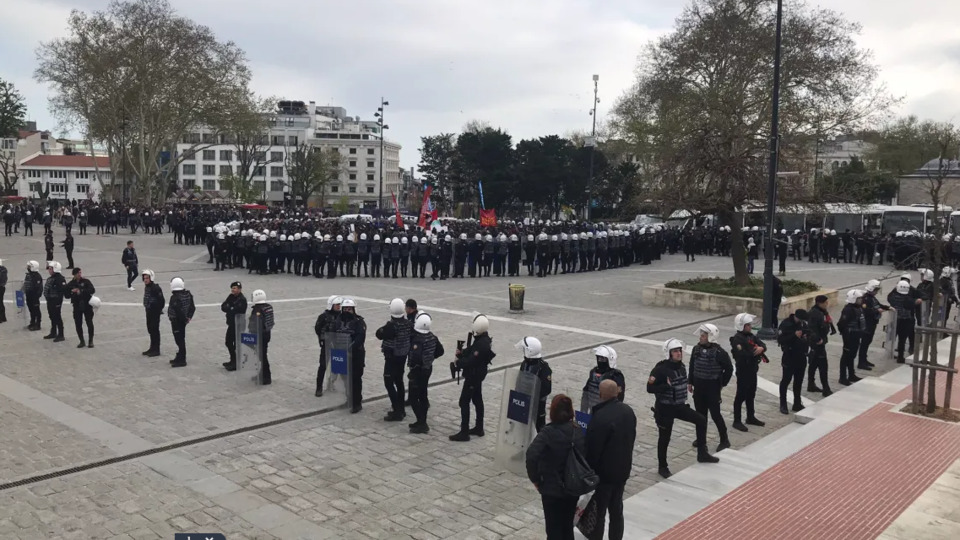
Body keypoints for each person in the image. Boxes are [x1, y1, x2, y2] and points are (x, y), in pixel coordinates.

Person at [648, 339, 719, 479]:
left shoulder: (681, 367)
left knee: (701, 420)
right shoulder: (660, 369)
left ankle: (702, 453)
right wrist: (665, 387)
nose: (679, 353)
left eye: (680, 350)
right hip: (665, 409)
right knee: (664, 438)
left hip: (679, 406)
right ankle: (662, 466)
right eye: (675, 351)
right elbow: (649, 388)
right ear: (668, 353)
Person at [525, 394, 585, 540]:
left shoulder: (548, 432)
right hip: (572, 487)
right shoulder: (577, 431)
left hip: (552, 489)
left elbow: (532, 455)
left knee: (553, 530)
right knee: (567, 527)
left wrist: (536, 479)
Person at [585, 380, 637, 540]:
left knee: (598, 514)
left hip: (604, 475)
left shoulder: (600, 417)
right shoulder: (628, 411)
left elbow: (593, 449)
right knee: (616, 510)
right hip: (622, 471)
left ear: (601, 395)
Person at [450, 314, 496, 441]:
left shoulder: (481, 344)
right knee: (477, 399)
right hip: (478, 374)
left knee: (464, 401)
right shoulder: (483, 339)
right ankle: (479, 427)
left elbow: (472, 360)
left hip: (473, 375)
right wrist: (463, 352)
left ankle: (464, 432)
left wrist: (459, 362)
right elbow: (472, 350)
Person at [688, 323, 733, 452]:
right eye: (701, 335)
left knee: (715, 415)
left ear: (711, 337)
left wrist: (721, 383)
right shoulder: (696, 349)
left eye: (703, 335)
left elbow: (729, 369)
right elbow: (692, 365)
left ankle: (724, 439)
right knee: (700, 415)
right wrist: (690, 381)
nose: (701, 337)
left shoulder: (719, 353)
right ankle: (701, 439)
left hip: (712, 388)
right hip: (699, 388)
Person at [376, 298, 413, 421]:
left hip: (391, 358)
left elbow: (379, 334)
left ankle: (397, 409)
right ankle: (401, 408)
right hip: (403, 356)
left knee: (389, 382)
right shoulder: (408, 324)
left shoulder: (391, 326)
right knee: (399, 381)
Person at [730, 313, 767, 432]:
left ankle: (750, 416)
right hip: (743, 371)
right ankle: (737, 420)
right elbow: (741, 354)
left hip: (752, 370)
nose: (750, 327)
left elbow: (762, 344)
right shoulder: (737, 339)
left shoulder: (751, 336)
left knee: (751, 394)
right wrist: (753, 352)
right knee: (740, 395)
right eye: (747, 325)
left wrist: (761, 348)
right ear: (741, 326)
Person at [408, 312, 444, 434]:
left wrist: (413, 368)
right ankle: (421, 421)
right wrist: (430, 358)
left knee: (413, 397)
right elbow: (440, 351)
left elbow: (416, 357)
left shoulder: (417, 339)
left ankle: (422, 422)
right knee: (423, 395)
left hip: (418, 371)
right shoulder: (433, 337)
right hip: (427, 369)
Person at [777, 309, 811, 414]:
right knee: (786, 380)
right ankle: (783, 404)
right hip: (789, 356)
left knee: (798, 381)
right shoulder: (786, 324)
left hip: (801, 356)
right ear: (796, 317)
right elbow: (780, 340)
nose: (801, 322)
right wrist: (794, 335)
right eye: (800, 320)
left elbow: (808, 334)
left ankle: (797, 403)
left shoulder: (803, 324)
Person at [517, 336, 552, 432]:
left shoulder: (543, 368)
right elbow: (519, 380)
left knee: (540, 429)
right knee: (522, 430)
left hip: (537, 406)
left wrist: (533, 396)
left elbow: (546, 389)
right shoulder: (524, 363)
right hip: (523, 403)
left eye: (525, 349)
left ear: (530, 351)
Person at [338, 298, 367, 413]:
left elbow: (360, 338)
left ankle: (357, 403)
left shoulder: (359, 322)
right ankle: (349, 399)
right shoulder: (339, 320)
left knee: (356, 379)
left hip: (356, 355)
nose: (347, 311)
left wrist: (350, 347)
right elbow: (334, 332)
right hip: (342, 354)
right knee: (345, 378)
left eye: (349, 309)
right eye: (345, 309)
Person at [580, 345, 625, 413]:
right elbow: (586, 391)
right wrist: (583, 411)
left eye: (603, 359)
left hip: (607, 411)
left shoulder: (615, 375)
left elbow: (619, 396)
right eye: (598, 358)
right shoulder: (593, 372)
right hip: (593, 410)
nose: (600, 361)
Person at [806, 295, 835, 396]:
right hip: (817, 343)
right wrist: (818, 339)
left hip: (820, 342)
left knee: (814, 364)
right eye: (825, 302)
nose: (827, 304)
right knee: (823, 366)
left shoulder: (822, 312)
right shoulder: (815, 314)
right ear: (819, 303)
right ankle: (825, 388)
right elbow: (811, 328)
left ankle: (811, 384)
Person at [858, 280, 889, 371]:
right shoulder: (866, 298)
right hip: (867, 324)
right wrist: (877, 311)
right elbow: (866, 311)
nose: (876, 292)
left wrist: (887, 307)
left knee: (868, 342)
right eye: (875, 290)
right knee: (864, 342)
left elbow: (878, 305)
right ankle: (861, 362)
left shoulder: (872, 298)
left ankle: (864, 359)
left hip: (873, 323)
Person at [888, 280, 921, 363]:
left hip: (895, 319)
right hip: (905, 321)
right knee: (902, 340)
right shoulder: (908, 299)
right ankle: (900, 356)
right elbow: (913, 305)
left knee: (892, 337)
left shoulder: (893, 297)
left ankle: (890, 352)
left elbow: (889, 296)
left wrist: (895, 289)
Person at [838, 289, 866, 385]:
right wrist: (846, 337)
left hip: (856, 336)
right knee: (846, 357)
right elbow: (841, 324)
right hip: (850, 337)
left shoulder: (858, 307)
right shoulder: (848, 309)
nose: (861, 300)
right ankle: (842, 377)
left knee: (852, 356)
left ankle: (851, 374)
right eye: (858, 299)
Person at [314, 295, 341, 396]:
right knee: (323, 365)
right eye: (336, 305)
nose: (339, 306)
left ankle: (332, 382)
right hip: (327, 344)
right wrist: (323, 338)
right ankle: (319, 387)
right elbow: (317, 328)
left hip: (338, 344)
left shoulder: (341, 315)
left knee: (338, 366)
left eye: (339, 304)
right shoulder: (324, 316)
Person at [167, 277, 196, 367]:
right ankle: (179, 356)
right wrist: (189, 317)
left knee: (179, 339)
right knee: (181, 338)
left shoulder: (174, 298)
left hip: (176, 321)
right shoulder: (188, 294)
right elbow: (192, 307)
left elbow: (178, 311)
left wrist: (184, 319)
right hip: (183, 321)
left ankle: (182, 359)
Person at [249, 289, 275, 385]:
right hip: (267, 334)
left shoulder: (258, 310)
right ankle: (261, 374)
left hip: (260, 335)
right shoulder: (268, 307)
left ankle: (266, 377)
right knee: (261, 355)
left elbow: (256, 323)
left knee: (262, 356)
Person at [221, 281, 248, 371]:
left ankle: (237, 362)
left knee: (237, 344)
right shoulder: (231, 296)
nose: (233, 290)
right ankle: (233, 360)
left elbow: (237, 310)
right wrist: (230, 307)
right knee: (228, 342)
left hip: (238, 325)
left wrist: (230, 307)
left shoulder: (242, 299)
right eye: (232, 288)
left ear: (239, 289)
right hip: (231, 324)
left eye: (235, 288)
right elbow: (223, 307)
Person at [66, 267, 96, 348]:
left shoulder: (86, 281)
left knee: (89, 322)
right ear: (74, 275)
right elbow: (66, 295)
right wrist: (71, 291)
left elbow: (92, 290)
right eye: (78, 273)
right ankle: (81, 341)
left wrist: (81, 290)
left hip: (87, 304)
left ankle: (90, 340)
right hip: (76, 305)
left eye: (80, 273)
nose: (79, 274)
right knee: (78, 323)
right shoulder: (71, 284)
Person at [141, 269, 165, 357]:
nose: (145, 280)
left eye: (147, 278)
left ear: (151, 278)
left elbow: (161, 300)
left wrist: (157, 310)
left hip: (154, 313)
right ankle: (152, 347)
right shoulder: (147, 287)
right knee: (150, 329)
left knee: (155, 330)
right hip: (148, 311)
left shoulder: (156, 288)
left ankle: (156, 349)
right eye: (144, 278)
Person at [42, 261, 66, 342]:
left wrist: (58, 302)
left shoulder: (60, 279)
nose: (49, 270)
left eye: (50, 268)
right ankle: (53, 332)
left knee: (57, 317)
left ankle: (61, 334)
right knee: (52, 316)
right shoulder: (51, 278)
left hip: (56, 301)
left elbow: (62, 291)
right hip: (50, 300)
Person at [23, 260, 44, 331]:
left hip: (34, 296)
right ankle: (32, 322)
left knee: (36, 310)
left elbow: (38, 288)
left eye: (29, 266)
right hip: (29, 295)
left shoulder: (37, 276)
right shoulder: (29, 275)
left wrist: (36, 295)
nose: (28, 268)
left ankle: (38, 324)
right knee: (31, 310)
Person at [0, 258, 7, 324]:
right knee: (1, 302)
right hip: (2, 287)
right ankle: (3, 317)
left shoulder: (1, 271)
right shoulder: (4, 270)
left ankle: (1, 317)